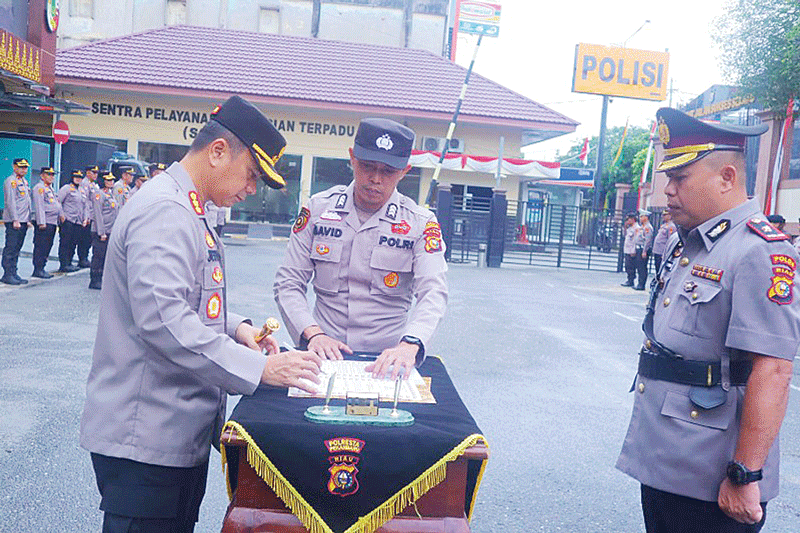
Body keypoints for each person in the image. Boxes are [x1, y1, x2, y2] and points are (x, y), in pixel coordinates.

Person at [80, 95, 322, 532]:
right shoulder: (166, 211)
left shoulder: (189, 207)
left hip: (170, 433)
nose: (252, 189)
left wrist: (238, 328)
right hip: (145, 438)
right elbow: (163, 322)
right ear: (217, 151)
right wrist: (260, 368)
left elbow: (181, 301)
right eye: (252, 174)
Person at [616, 107, 800, 533]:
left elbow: (773, 370)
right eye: (669, 177)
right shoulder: (690, 243)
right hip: (668, 458)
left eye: (681, 178)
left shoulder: (759, 250)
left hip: (713, 474)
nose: (668, 190)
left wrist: (745, 475)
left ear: (727, 177)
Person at [274, 117, 448, 380]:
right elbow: (288, 282)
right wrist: (312, 333)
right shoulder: (318, 210)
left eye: (388, 171)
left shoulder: (420, 223)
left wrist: (410, 344)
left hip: (387, 360)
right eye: (367, 166)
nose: (375, 179)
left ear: (404, 171)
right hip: (322, 353)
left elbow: (433, 292)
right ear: (352, 158)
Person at [2, 158, 32, 285]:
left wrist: (28, 219)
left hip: (23, 220)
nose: (24, 170)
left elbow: (26, 202)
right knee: (11, 247)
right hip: (14, 220)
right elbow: (11, 202)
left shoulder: (24, 181)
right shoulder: (11, 181)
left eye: (25, 167)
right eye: (21, 167)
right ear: (14, 167)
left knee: (17, 248)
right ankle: (7, 274)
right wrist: (15, 219)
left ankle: (14, 272)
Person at [88, 171, 118, 290]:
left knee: (106, 256)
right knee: (98, 256)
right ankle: (95, 279)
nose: (111, 182)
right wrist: (101, 232)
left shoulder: (110, 194)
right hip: (101, 231)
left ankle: (102, 279)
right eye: (108, 180)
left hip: (110, 230)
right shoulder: (98, 194)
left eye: (112, 180)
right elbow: (98, 214)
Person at [57, 169, 85, 273]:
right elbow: (58, 202)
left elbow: (85, 205)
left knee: (73, 243)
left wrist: (85, 218)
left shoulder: (81, 190)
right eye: (76, 177)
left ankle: (69, 262)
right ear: (72, 178)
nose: (78, 179)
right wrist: (61, 215)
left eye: (80, 178)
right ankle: (64, 264)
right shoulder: (66, 188)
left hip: (78, 221)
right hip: (68, 220)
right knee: (65, 242)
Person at [76, 164, 100, 268]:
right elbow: (85, 201)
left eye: (96, 173)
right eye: (93, 172)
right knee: (84, 239)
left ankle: (85, 257)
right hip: (87, 215)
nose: (95, 175)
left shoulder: (94, 184)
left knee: (89, 239)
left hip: (93, 214)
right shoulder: (84, 184)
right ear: (88, 173)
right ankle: (82, 258)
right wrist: (87, 216)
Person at [633, 210, 654, 290]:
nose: (640, 218)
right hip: (639, 248)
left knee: (642, 267)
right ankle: (639, 283)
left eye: (642, 216)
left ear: (646, 217)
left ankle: (641, 284)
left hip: (643, 249)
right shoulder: (642, 226)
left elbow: (648, 240)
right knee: (639, 267)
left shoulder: (648, 227)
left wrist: (644, 251)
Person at [620, 212, 639, 287]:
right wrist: (625, 227)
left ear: (633, 219)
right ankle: (629, 279)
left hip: (631, 250)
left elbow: (636, 240)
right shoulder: (630, 227)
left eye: (629, 219)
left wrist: (633, 250)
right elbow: (624, 235)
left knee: (631, 266)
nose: (628, 221)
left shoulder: (636, 228)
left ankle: (631, 280)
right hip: (627, 249)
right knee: (627, 266)